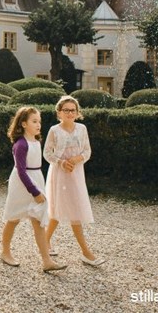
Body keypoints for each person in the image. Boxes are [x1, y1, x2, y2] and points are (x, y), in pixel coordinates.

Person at [0, 106, 67, 272]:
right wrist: (35, 192)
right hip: (23, 184)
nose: (38, 125)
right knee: (13, 219)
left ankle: (47, 261)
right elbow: (21, 171)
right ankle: (5, 252)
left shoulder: (36, 141)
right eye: (34, 121)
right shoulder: (21, 144)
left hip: (36, 178)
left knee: (38, 221)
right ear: (23, 124)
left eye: (39, 121)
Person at [44, 95, 105, 266]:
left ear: (77, 113)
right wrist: (62, 162)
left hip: (76, 174)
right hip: (60, 173)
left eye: (73, 110)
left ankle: (44, 242)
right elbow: (47, 153)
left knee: (69, 208)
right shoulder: (54, 130)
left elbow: (87, 151)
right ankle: (86, 252)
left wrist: (76, 160)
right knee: (62, 210)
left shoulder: (82, 129)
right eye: (66, 110)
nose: (70, 113)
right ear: (59, 112)